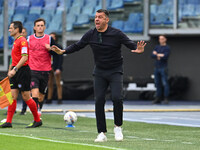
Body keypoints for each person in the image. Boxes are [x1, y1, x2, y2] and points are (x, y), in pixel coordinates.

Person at [50, 9, 146, 142]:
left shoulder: (116, 34)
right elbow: (78, 45)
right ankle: (102, 133)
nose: (97, 19)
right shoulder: (90, 34)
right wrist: (63, 51)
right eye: (95, 17)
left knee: (117, 98)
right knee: (99, 100)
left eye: (100, 17)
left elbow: (131, 46)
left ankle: (118, 127)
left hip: (115, 71)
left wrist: (137, 49)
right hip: (100, 72)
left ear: (107, 20)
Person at [0, 21, 42, 128]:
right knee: (12, 96)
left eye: (11, 28)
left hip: (22, 71)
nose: (9, 30)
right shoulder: (15, 41)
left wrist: (14, 69)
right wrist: (10, 70)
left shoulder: (22, 41)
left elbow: (25, 57)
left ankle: (37, 120)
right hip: (15, 71)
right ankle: (9, 122)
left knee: (26, 96)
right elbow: (14, 59)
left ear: (17, 29)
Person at [27, 18, 56, 114]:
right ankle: (36, 115)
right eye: (38, 26)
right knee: (34, 92)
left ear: (45, 27)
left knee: (41, 95)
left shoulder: (49, 39)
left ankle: (39, 109)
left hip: (45, 70)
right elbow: (24, 54)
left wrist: (50, 50)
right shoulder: (29, 39)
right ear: (34, 27)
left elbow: (57, 52)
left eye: (42, 25)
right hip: (32, 69)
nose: (40, 27)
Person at [151, 35, 170, 104]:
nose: (160, 40)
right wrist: (159, 55)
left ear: (165, 39)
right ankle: (158, 98)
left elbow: (165, 56)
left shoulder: (167, 48)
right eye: (159, 39)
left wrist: (157, 54)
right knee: (157, 83)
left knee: (165, 83)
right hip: (157, 67)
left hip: (163, 67)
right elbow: (152, 55)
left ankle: (166, 98)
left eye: (162, 39)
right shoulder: (157, 47)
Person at [46, 32, 63, 104]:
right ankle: (49, 99)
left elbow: (60, 58)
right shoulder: (47, 48)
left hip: (56, 67)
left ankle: (59, 99)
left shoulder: (59, 47)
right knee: (49, 83)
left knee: (58, 83)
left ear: (55, 38)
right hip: (49, 67)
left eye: (53, 37)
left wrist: (59, 68)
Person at [20, 27, 28, 115]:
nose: (22, 34)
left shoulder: (26, 43)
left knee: (26, 92)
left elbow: (25, 57)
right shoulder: (16, 42)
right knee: (14, 91)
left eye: (23, 32)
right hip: (18, 69)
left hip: (26, 69)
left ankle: (24, 109)